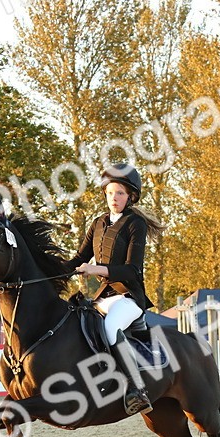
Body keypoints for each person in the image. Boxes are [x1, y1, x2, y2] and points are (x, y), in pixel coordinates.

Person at [63, 163, 165, 416]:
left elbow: (132, 270)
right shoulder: (98, 223)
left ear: (130, 196)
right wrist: (49, 268)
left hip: (130, 297)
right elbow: (79, 259)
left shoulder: (135, 223)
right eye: (110, 193)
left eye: (119, 193)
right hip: (105, 297)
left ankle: (137, 390)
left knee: (110, 327)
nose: (114, 198)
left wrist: (95, 269)